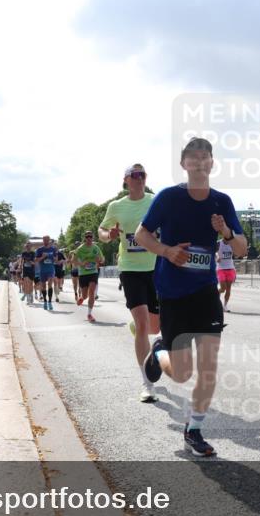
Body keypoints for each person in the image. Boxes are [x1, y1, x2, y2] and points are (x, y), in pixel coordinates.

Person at [135, 137, 247, 457]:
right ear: (183, 164)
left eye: (205, 157)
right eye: (192, 158)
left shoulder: (222, 202)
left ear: (212, 163)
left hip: (205, 293)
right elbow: (142, 235)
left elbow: (241, 248)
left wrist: (225, 231)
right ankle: (159, 354)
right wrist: (167, 251)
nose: (199, 162)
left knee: (208, 366)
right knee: (182, 372)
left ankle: (194, 428)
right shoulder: (169, 198)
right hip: (172, 291)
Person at [99, 162, 161, 402]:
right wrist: (109, 236)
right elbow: (103, 231)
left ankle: (137, 329)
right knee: (145, 323)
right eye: (134, 175)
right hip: (130, 269)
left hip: (155, 267)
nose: (139, 178)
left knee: (154, 328)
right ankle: (147, 383)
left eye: (142, 174)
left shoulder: (155, 201)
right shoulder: (116, 206)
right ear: (125, 180)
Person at [73, 231, 104, 322]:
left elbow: (102, 259)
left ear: (93, 237)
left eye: (90, 236)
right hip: (83, 274)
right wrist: (82, 263)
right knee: (85, 296)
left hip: (93, 272)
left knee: (91, 292)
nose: (89, 238)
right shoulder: (80, 249)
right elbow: (73, 261)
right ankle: (82, 298)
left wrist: (99, 260)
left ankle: (89, 314)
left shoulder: (96, 248)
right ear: (85, 238)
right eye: (87, 237)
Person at [34, 235, 59, 310]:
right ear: (43, 240)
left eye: (47, 240)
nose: (45, 241)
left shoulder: (53, 249)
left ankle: (50, 302)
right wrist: (42, 257)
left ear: (49, 240)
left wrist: (48, 255)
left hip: (50, 270)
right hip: (42, 270)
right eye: (44, 240)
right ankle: (45, 301)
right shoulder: (39, 250)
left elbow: (56, 260)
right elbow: (36, 260)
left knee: (50, 284)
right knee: (43, 286)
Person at [216, 236, 236, 313]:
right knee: (223, 288)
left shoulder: (233, 243)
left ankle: (225, 306)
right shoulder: (219, 243)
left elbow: (237, 252)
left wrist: (237, 254)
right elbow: (214, 251)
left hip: (230, 268)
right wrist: (217, 256)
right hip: (221, 268)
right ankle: (215, 295)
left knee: (228, 289)